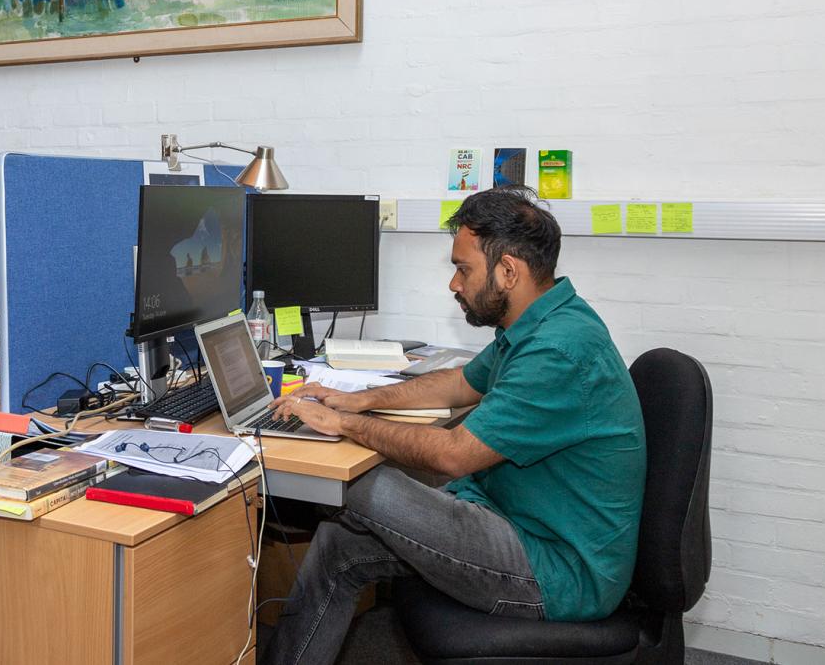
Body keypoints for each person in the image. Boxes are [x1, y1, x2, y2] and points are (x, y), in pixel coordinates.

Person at [262, 187, 647, 665]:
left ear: (509, 271)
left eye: (463, 269)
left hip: (556, 572)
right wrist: (361, 400)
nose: (454, 284)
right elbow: (460, 383)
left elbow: (453, 454)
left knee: (360, 485)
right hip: (513, 521)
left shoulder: (558, 351)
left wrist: (343, 424)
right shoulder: (542, 322)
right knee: (342, 542)